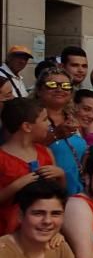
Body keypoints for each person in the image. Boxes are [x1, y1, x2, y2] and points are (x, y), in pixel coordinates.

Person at [0, 98, 62, 234]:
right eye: (45, 119)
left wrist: (60, 175)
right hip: (9, 232)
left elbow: (59, 194)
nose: (49, 124)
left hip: (45, 228)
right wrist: (17, 185)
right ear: (27, 126)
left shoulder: (45, 152)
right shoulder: (2, 158)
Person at [35, 67, 87, 196]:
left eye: (65, 86)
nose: (59, 89)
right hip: (46, 192)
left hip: (76, 191)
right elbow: (23, 150)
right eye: (52, 85)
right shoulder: (31, 118)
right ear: (39, 90)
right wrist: (55, 135)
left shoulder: (73, 117)